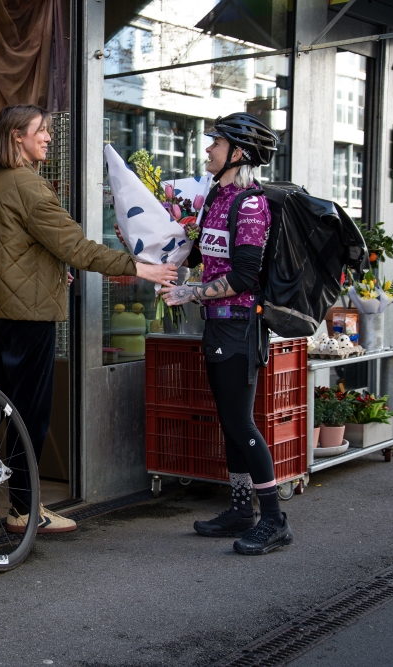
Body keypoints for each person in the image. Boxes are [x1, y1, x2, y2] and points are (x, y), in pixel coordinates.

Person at [0, 104, 176, 534]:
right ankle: (24, 509)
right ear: (16, 138)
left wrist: (46, 270)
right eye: (39, 131)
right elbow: (77, 247)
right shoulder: (30, 188)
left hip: (1, 312)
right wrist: (140, 267)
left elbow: (7, 249)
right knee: (30, 413)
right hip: (30, 315)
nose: (47, 137)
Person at [159, 113, 293, 555]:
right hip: (218, 325)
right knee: (229, 422)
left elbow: (245, 275)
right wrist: (158, 248)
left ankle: (273, 520)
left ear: (238, 153)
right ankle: (241, 510)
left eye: (215, 142)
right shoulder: (217, 196)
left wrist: (190, 293)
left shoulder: (251, 206)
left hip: (238, 325)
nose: (208, 149)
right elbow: (201, 254)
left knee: (240, 422)